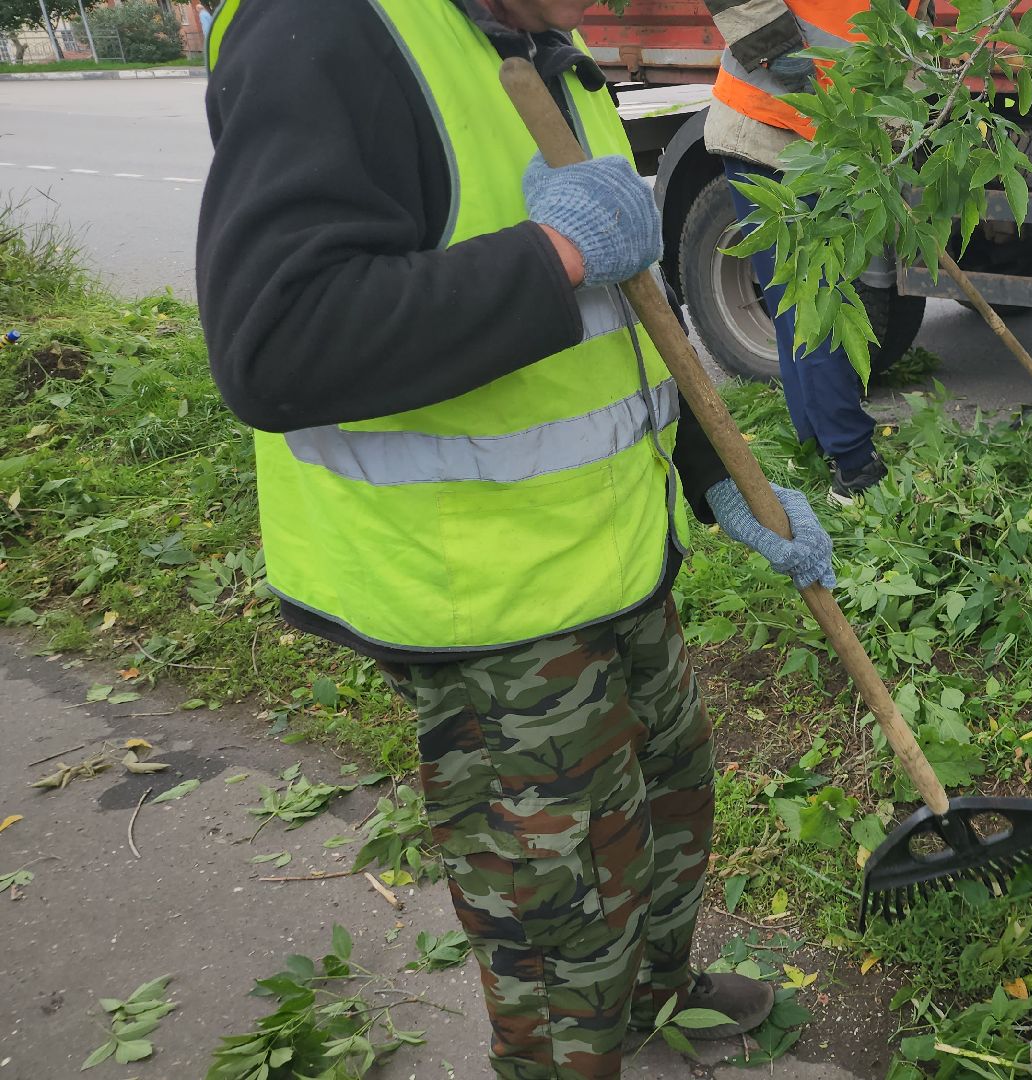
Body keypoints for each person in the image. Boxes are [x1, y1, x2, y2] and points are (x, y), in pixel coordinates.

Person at [196, 1, 839, 1076]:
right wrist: (551, 252)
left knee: (672, 799)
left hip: (611, 556)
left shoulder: (536, 41)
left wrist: (711, 474)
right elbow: (278, 341)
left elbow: (616, 328)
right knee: (558, 911)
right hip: (483, 602)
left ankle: (653, 995)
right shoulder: (320, 29)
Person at [698, 0, 893, 502]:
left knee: (799, 297)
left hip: (825, 145)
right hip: (763, 129)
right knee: (814, 296)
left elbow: (901, 51)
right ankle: (853, 466)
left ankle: (817, 445)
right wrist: (777, 49)